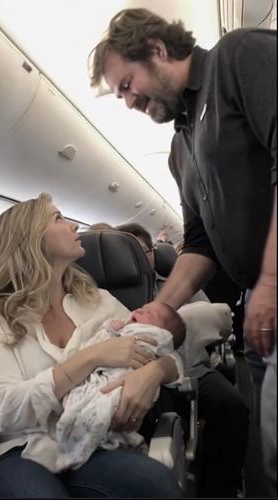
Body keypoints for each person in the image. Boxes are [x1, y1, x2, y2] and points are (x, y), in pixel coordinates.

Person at [89, 9, 276, 492]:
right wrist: (157, 310)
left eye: (127, 85)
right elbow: (199, 243)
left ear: (157, 50)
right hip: (260, 304)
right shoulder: (181, 146)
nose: (128, 101)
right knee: (274, 450)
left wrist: (271, 281)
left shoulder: (237, 59)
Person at [0, 193, 184, 498]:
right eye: (58, 218)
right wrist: (91, 356)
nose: (74, 226)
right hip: (22, 451)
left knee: (156, 483)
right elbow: (10, 412)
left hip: (93, 444)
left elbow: (165, 349)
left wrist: (156, 371)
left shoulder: (99, 301)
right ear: (31, 240)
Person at [117, 222, 249, 497]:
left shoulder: (178, 285)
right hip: (129, 374)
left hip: (192, 369)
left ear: (153, 253)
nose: (137, 257)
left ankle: (219, 489)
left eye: (143, 250)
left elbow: (211, 317)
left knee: (231, 406)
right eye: (129, 252)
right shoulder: (108, 296)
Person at [56, 302, 186, 472]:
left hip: (122, 383)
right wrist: (109, 329)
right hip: (89, 382)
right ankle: (75, 445)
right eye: (143, 307)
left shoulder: (152, 336)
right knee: (79, 409)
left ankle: (74, 455)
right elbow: (96, 344)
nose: (140, 310)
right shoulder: (123, 326)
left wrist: (157, 369)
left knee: (104, 410)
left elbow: (172, 357)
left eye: (149, 314)